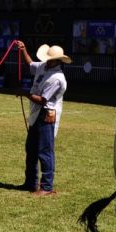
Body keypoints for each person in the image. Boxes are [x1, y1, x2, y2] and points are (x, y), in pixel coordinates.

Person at [18, 41, 70, 196]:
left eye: (49, 59)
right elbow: (30, 64)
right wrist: (23, 50)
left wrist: (25, 93)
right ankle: (31, 183)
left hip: (46, 114)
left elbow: (42, 100)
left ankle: (47, 186)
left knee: (45, 151)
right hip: (36, 114)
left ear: (57, 61)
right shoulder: (43, 66)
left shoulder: (57, 78)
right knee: (31, 149)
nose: (46, 61)